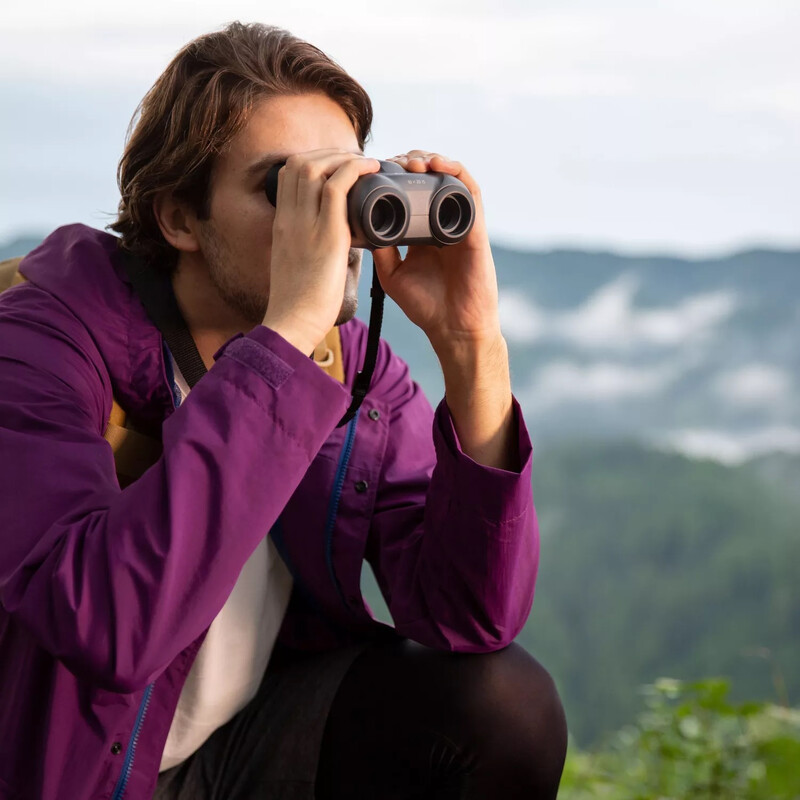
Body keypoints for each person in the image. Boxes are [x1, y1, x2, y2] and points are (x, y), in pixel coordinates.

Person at [0, 21, 567, 800]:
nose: (324, 225)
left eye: (340, 185)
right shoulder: (39, 343)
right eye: (286, 189)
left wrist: (473, 347)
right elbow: (108, 625)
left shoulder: (349, 366)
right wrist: (290, 332)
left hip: (232, 751)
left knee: (504, 708)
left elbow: (472, 615)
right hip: (69, 775)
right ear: (178, 218)